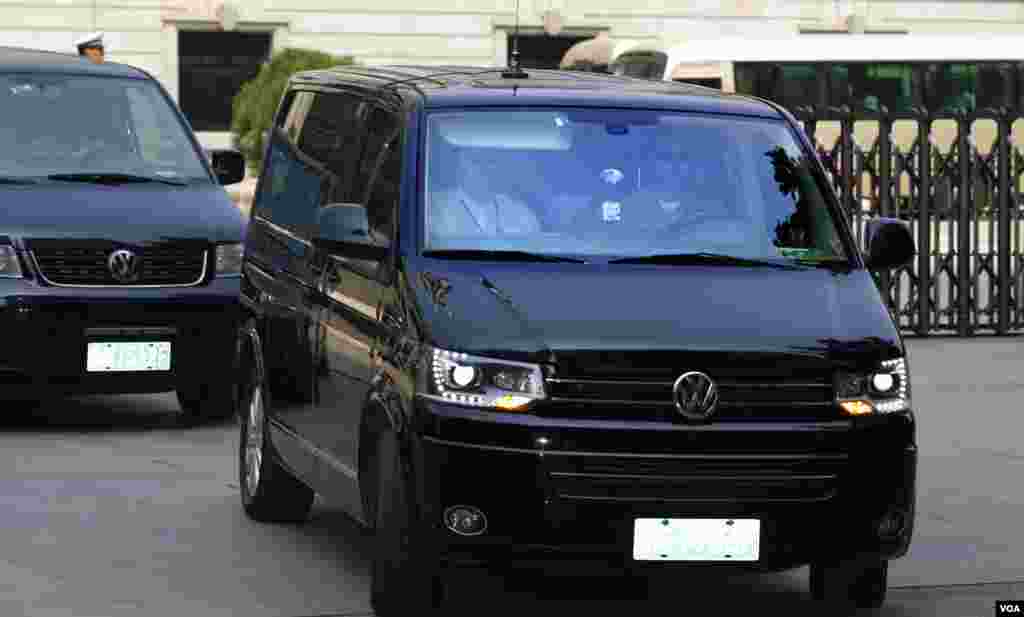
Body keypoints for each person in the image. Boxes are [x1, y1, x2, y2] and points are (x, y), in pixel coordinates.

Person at [428, 146, 542, 239]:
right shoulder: (433, 208)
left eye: (491, 160)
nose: (484, 168)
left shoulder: (522, 215)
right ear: (459, 163)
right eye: (476, 160)